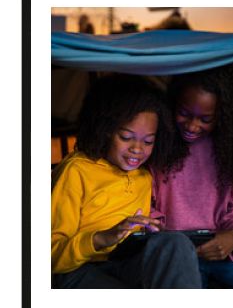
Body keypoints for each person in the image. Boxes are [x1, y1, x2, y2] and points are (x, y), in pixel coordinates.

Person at [52, 74, 202, 289]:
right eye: (126, 137)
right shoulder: (77, 170)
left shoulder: (143, 176)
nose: (137, 149)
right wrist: (101, 239)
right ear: (104, 130)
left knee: (175, 243)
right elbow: (49, 256)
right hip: (77, 270)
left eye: (148, 141)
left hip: (123, 263)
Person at [153, 64, 233, 288]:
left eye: (205, 119)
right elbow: (144, 199)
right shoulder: (156, 145)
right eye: (184, 113)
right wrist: (157, 230)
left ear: (221, 116)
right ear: (173, 104)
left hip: (224, 254)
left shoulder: (230, 149)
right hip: (177, 256)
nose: (192, 126)